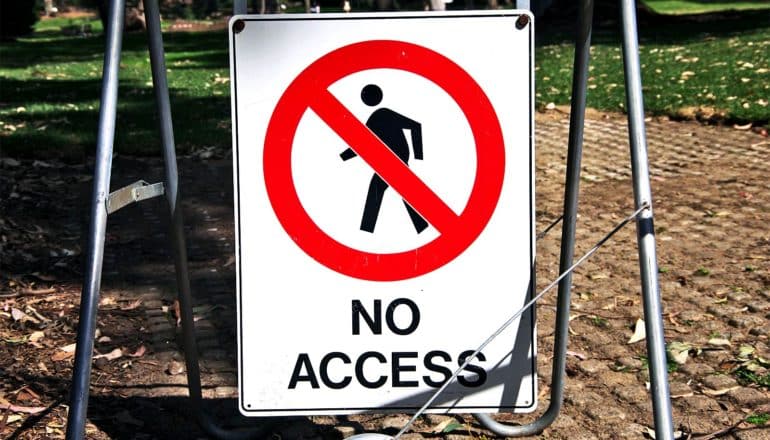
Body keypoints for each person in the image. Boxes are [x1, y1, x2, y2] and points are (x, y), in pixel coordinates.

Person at [340, 84, 429, 234]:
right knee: (402, 191)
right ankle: (421, 225)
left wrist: (418, 155)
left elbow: (415, 126)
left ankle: (366, 230)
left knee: (382, 189)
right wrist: (343, 157)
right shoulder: (375, 119)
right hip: (386, 163)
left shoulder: (383, 114)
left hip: (395, 162)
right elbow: (361, 144)